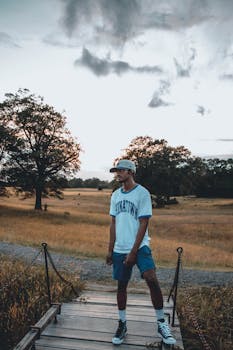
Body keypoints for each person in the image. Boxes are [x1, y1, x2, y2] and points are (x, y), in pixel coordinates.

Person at [106, 159, 176, 346]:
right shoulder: (115, 195)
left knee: (151, 278)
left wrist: (134, 251)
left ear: (130, 172)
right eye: (116, 171)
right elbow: (113, 223)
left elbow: (144, 222)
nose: (117, 174)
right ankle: (122, 324)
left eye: (120, 171)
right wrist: (110, 249)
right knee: (121, 285)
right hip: (120, 248)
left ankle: (161, 323)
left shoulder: (142, 193)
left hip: (140, 245)